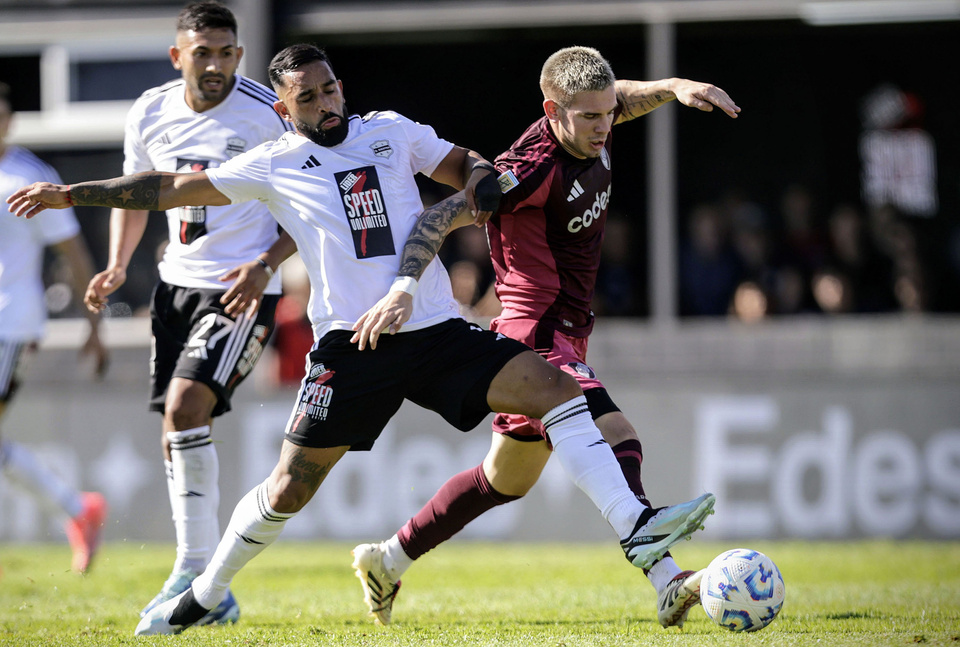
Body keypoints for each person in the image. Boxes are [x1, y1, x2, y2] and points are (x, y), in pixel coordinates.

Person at [8, 43, 714, 636]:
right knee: (289, 487)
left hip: (435, 328)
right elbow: (168, 186)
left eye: (330, 88)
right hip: (354, 346)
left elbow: (461, 165)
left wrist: (479, 182)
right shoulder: (274, 162)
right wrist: (74, 194)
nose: (326, 103)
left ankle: (636, 526)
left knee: (558, 390)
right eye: (308, 98)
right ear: (283, 110)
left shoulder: (391, 130)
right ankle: (201, 594)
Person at [350, 46, 739, 629]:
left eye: (608, 114)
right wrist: (404, 286)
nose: (605, 126)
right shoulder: (525, 170)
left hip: (571, 333)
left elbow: (622, 99)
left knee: (501, 481)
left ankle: (387, 559)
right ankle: (657, 561)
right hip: (533, 335)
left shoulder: (593, 125)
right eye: (590, 117)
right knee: (616, 432)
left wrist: (674, 85)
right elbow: (437, 218)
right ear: (553, 110)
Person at [80, 1, 296, 625]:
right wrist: (119, 266)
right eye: (204, 53)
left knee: (185, 408)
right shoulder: (150, 110)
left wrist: (265, 266)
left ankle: (194, 573)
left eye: (228, 52)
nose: (218, 66)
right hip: (174, 286)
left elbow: (306, 200)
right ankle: (211, 587)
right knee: (175, 431)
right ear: (178, 56)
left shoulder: (266, 112)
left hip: (242, 289)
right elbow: (132, 191)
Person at [0, 81, 109, 574]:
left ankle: (76, 508)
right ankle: (78, 508)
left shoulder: (28, 178)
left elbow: (73, 252)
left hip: (9, 322)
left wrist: (94, 323)